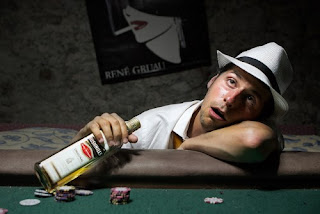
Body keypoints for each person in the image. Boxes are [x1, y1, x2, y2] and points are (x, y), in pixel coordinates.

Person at [72, 42, 293, 163]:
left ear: (261, 115)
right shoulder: (154, 123)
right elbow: (81, 166)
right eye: (231, 82)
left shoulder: (263, 132)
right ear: (212, 80)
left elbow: (254, 139)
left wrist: (188, 146)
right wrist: (84, 139)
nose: (230, 100)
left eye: (250, 98)